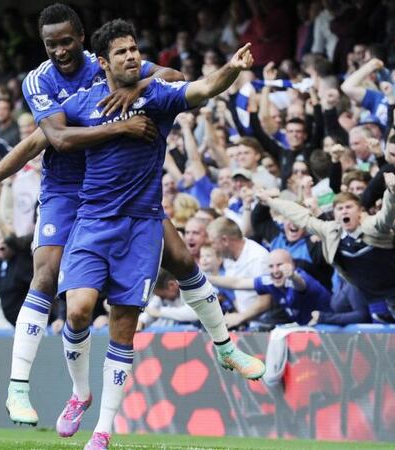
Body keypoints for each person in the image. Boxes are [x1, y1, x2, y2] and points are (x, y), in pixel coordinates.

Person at [0, 4, 262, 426]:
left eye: (67, 41)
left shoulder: (114, 60)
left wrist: (135, 90)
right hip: (68, 187)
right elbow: (49, 140)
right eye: (51, 45)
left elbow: (174, 81)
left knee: (180, 259)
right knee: (47, 276)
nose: (60, 51)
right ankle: (19, 387)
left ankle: (226, 347)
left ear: (83, 41)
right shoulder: (39, 81)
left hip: (122, 188)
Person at [54, 20, 261, 449]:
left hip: (142, 225)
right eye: (122, 52)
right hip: (92, 222)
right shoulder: (82, 104)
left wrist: (232, 68)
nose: (131, 55)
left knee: (123, 325)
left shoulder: (155, 96)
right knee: (77, 312)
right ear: (102, 62)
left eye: (134, 48)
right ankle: (80, 394)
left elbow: (201, 88)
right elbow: (53, 138)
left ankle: (104, 430)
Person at [258, 174, 395, 324]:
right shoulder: (330, 231)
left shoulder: (372, 226)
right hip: (389, 305)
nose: (344, 212)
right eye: (339, 209)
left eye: (349, 207)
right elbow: (301, 216)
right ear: (334, 214)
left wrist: (392, 191)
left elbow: (387, 215)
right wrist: (271, 201)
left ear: (360, 211)